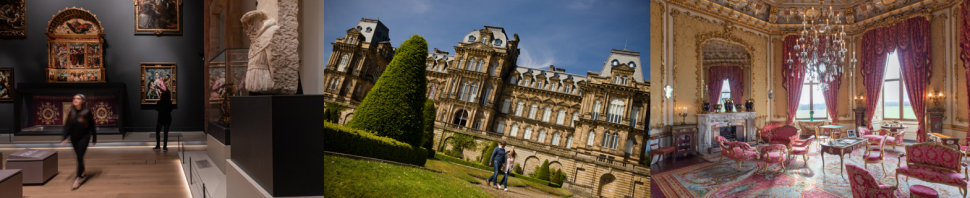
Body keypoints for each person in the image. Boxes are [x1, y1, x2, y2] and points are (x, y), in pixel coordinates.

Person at [60, 94, 97, 190]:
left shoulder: (87, 112)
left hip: (84, 137)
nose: (75, 100)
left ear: (83, 101)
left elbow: (92, 125)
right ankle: (83, 169)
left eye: (78, 98)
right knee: (79, 157)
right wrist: (65, 137)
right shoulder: (71, 112)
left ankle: (77, 179)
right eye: (74, 98)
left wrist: (94, 138)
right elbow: (67, 125)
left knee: (80, 157)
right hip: (74, 138)